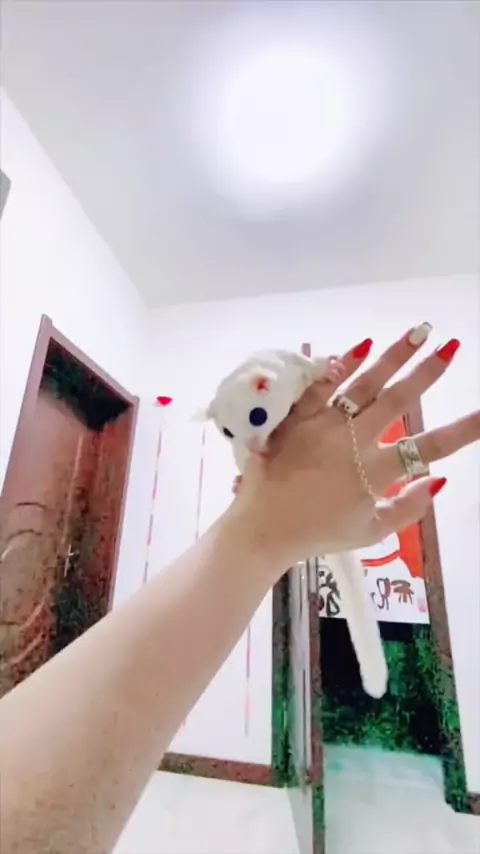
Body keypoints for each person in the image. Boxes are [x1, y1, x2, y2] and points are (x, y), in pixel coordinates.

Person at [0, 325, 478, 854]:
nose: (252, 441)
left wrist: (323, 377)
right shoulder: (241, 412)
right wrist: (259, 519)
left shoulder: (275, 373)